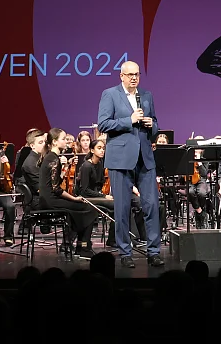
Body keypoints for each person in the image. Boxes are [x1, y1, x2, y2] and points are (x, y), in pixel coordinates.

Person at [97, 60, 164, 268]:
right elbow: (103, 124)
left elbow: (155, 125)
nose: (134, 77)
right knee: (123, 208)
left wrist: (152, 124)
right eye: (130, 74)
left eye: (137, 74)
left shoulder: (147, 95)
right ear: (121, 76)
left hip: (144, 158)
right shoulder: (110, 94)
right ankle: (125, 252)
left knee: (152, 206)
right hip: (121, 159)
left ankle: (154, 251)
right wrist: (130, 120)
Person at [37, 128, 98, 259]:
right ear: (54, 142)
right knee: (90, 209)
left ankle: (72, 243)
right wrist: (74, 199)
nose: (66, 142)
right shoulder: (53, 159)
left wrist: (65, 168)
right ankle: (82, 247)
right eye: (63, 139)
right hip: (51, 200)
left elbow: (56, 181)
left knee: (83, 209)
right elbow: (57, 189)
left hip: (48, 198)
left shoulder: (51, 157)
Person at [77, 138, 117, 247]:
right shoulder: (86, 166)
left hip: (95, 196)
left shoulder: (100, 164)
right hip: (85, 198)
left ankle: (112, 239)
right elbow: (84, 190)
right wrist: (103, 196)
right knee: (115, 205)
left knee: (117, 207)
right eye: (99, 148)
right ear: (92, 150)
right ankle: (86, 242)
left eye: (103, 148)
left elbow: (100, 184)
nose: (102, 151)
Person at [187, 135, 211, 229]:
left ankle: (199, 215)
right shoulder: (188, 157)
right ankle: (201, 212)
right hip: (189, 180)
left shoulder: (204, 160)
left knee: (201, 193)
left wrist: (199, 162)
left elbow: (204, 173)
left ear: (202, 150)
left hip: (201, 179)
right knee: (190, 192)